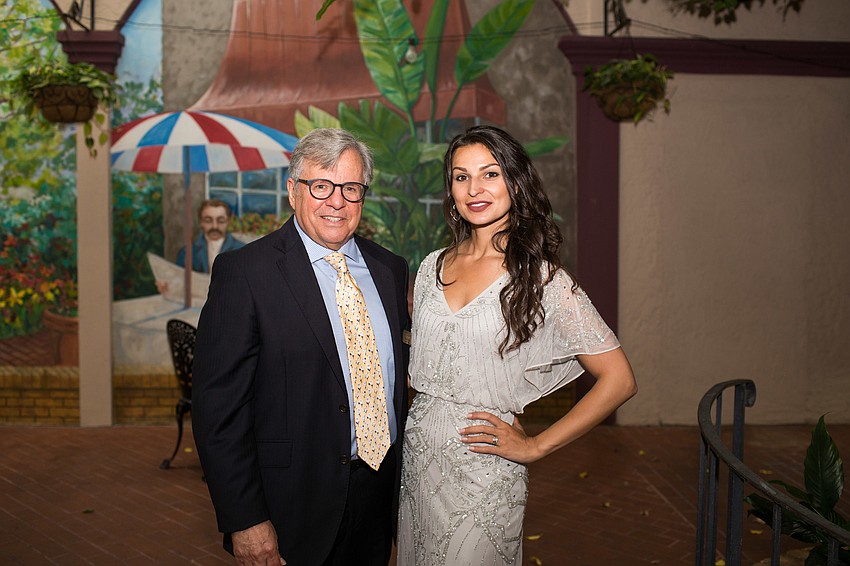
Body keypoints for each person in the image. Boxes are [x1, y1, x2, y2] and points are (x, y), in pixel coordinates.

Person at [396, 125, 638, 565]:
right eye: (461, 176)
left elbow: (619, 380)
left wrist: (536, 446)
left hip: (484, 471)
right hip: (418, 465)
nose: (474, 189)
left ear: (516, 182)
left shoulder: (543, 280)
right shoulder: (431, 266)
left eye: (490, 174)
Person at [192, 128, 411, 565]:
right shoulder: (245, 273)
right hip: (289, 505)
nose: (337, 201)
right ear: (293, 191)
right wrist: (245, 518)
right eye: (321, 186)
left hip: (377, 498)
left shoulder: (390, 269)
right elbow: (218, 411)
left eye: (350, 188)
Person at [176, 198, 245, 273]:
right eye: (208, 221)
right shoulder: (187, 252)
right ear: (201, 222)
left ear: (228, 222)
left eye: (221, 221)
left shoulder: (242, 250)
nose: (215, 226)